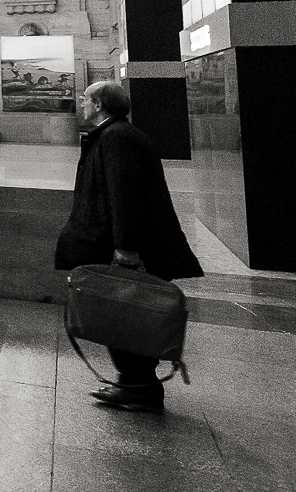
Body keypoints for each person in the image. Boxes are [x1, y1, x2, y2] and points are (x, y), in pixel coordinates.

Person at [53, 81, 204, 412]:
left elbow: (125, 195)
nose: (81, 105)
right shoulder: (115, 134)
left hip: (125, 246)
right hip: (118, 241)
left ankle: (140, 386)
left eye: (85, 100)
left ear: (99, 105)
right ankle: (135, 383)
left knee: (127, 312)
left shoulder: (117, 137)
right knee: (121, 312)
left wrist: (126, 247)